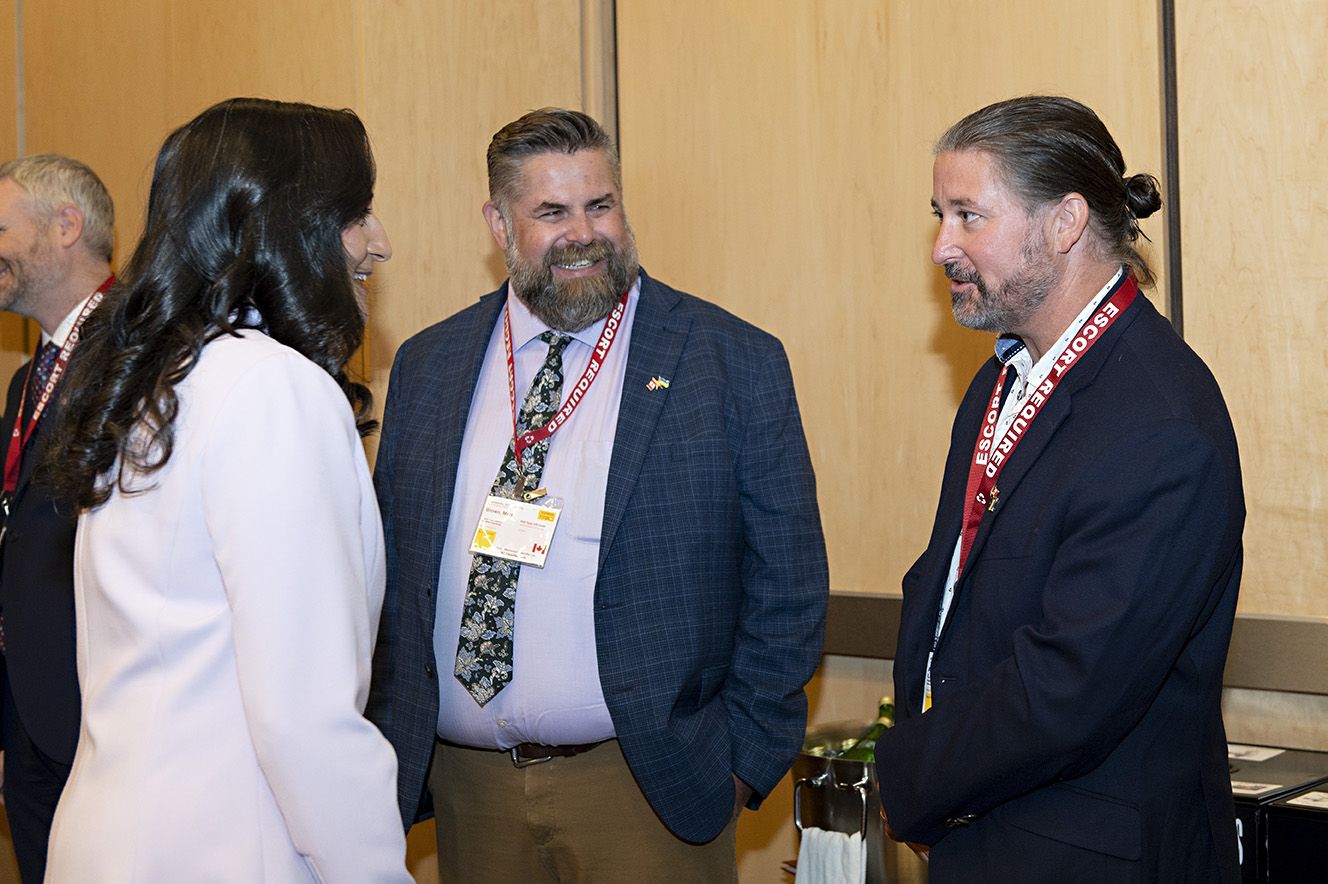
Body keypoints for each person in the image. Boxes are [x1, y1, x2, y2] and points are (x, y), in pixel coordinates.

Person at [367, 107, 828, 883]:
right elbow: (388, 568)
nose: (583, 232)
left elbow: (789, 584)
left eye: (600, 204)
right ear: (498, 223)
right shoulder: (430, 364)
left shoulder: (729, 360)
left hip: (649, 790)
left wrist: (742, 763)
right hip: (466, 790)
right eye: (551, 211)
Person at [39, 98, 411, 883]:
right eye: (356, 212)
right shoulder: (277, 391)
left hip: (112, 841)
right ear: (291, 223)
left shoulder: (150, 383)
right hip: (234, 851)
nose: (379, 241)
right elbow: (303, 719)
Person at [874, 94, 1244, 884]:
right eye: (940, 215)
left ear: (1066, 222)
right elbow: (945, 591)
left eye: (969, 216)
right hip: (979, 828)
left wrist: (911, 778)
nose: (941, 246)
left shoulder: (1157, 422)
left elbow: (1068, 688)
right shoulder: (1000, 381)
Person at [0, 154, 113, 884]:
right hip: (29, 715)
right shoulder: (27, 376)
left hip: (100, 718)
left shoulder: (139, 352)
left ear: (66, 225)